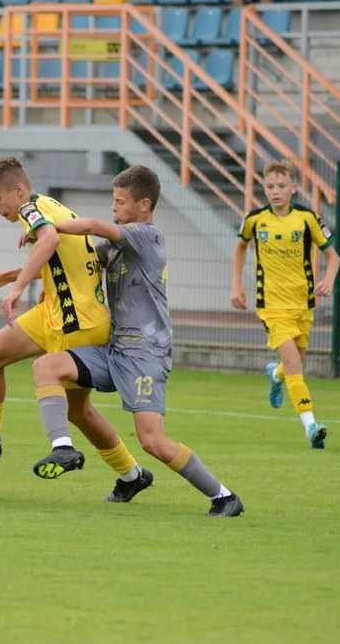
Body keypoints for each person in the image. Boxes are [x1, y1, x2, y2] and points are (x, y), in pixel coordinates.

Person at [0, 156, 154, 503]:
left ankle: (113, 467)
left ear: (18, 190)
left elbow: (49, 240)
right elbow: (59, 259)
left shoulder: (30, 210)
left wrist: (16, 289)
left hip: (75, 320)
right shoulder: (50, 205)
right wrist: (6, 277)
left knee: (76, 410)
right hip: (55, 312)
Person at [30, 166, 244, 517]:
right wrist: (13, 276)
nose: (113, 207)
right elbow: (73, 263)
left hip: (146, 354)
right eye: (112, 201)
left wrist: (48, 226)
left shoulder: (147, 235)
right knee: (46, 366)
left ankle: (224, 498)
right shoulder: (113, 248)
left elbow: (93, 227)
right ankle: (63, 448)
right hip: (115, 349)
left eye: (120, 201)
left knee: (153, 442)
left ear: (144, 205)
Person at [230, 159, 339, 449]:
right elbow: (241, 246)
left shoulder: (308, 218)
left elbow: (333, 256)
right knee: (294, 362)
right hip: (271, 306)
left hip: (303, 304)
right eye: (269, 186)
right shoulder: (254, 219)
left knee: (294, 363)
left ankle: (275, 375)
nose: (275, 191)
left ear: (294, 188)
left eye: (281, 186)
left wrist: (328, 279)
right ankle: (311, 425)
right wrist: (236, 286)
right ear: (263, 188)